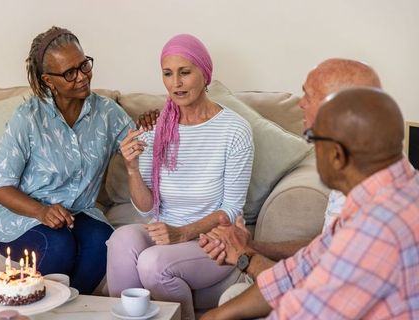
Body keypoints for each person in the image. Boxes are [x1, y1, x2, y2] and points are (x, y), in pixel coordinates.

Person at [201, 87, 419, 319]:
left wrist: (246, 257)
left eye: (312, 139)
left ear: (337, 154)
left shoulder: (373, 228)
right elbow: (299, 269)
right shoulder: (385, 194)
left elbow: (301, 311)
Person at [106, 34, 254, 320]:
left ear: (205, 74)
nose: (176, 83)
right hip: (165, 234)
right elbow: (146, 208)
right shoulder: (155, 128)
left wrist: (181, 233)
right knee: (121, 239)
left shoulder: (235, 130)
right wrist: (132, 168)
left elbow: (232, 208)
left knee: (153, 263)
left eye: (185, 72)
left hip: (213, 239)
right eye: (168, 74)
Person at [199, 59, 383, 287]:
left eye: (309, 96)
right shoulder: (350, 168)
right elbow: (325, 247)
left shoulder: (374, 198)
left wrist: (245, 257)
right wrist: (252, 246)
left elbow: (315, 292)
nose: (301, 105)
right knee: (233, 297)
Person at [0, 26, 135, 294]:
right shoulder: (28, 117)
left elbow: (141, 148)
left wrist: (156, 121)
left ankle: (61, 310)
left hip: (78, 213)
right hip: (23, 215)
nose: (82, 77)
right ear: (48, 80)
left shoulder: (108, 113)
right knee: (60, 245)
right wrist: (41, 211)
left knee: (103, 241)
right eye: (69, 73)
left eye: (84, 65)